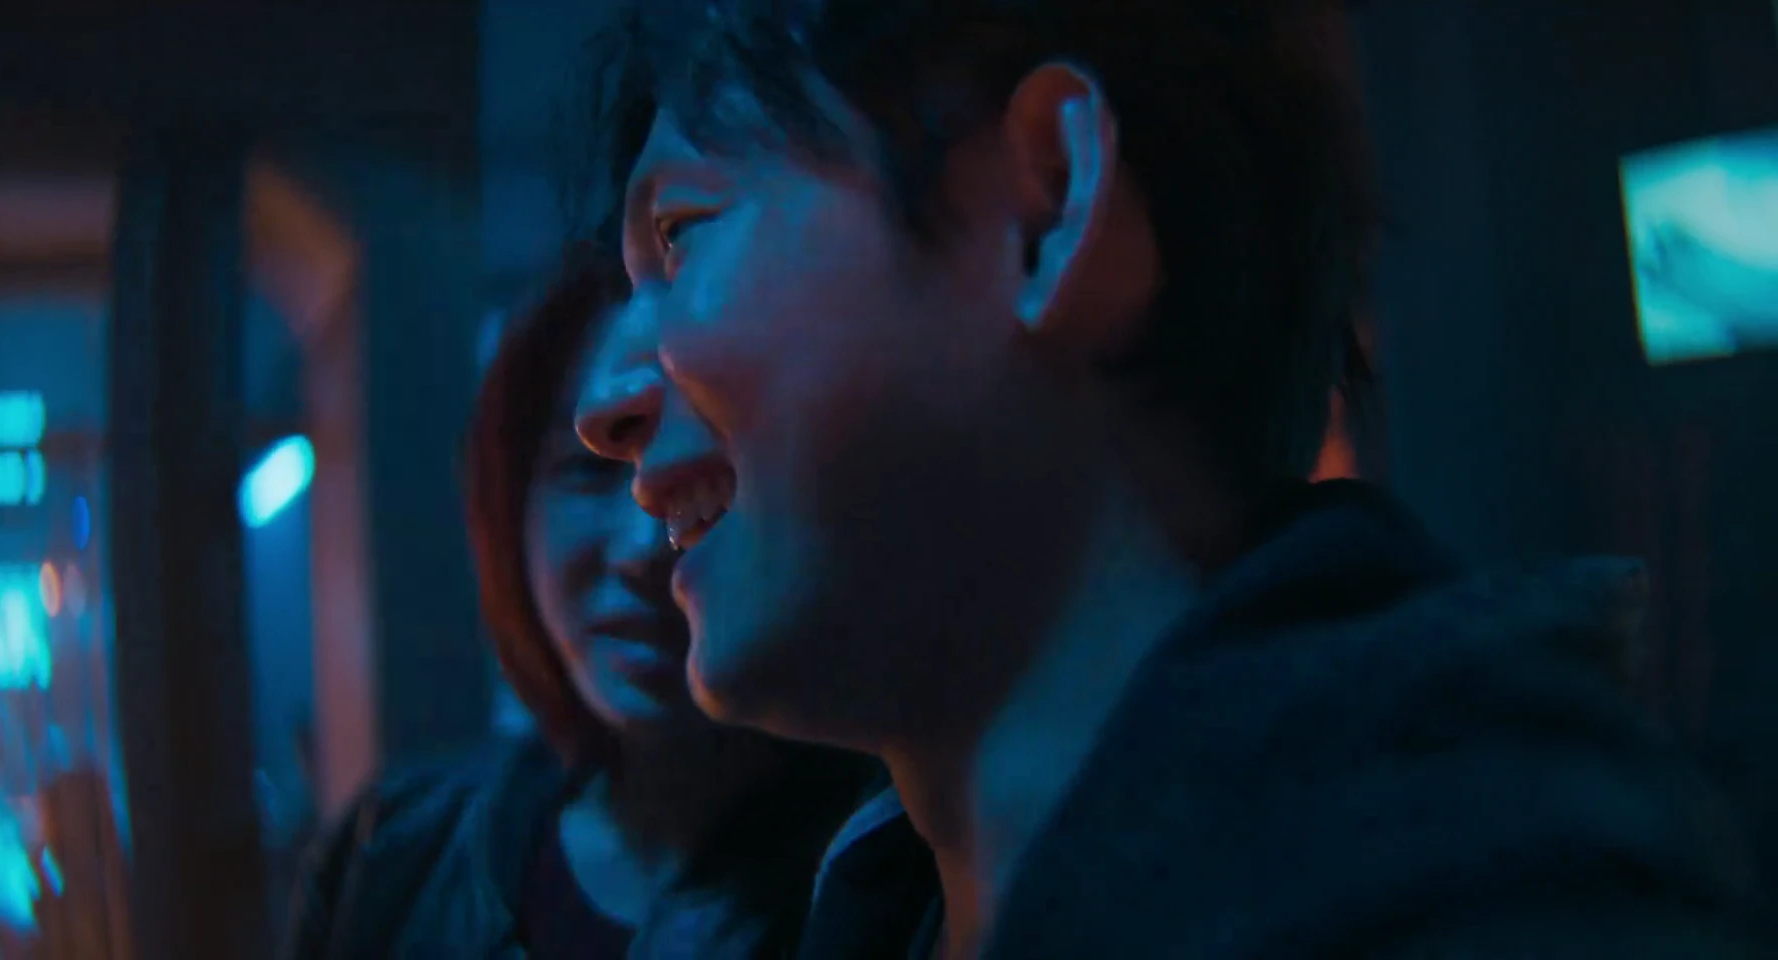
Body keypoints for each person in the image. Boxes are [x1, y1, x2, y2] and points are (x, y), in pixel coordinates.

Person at [568, 1, 1764, 957]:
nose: (601, 409)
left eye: (682, 234)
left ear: (1050, 204)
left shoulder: (1492, 895)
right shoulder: (835, 912)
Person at [283, 248, 876, 958]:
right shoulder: (393, 856)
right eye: (589, 469)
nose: (644, 548)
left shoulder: (896, 877)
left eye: (713, 473)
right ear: (510, 507)